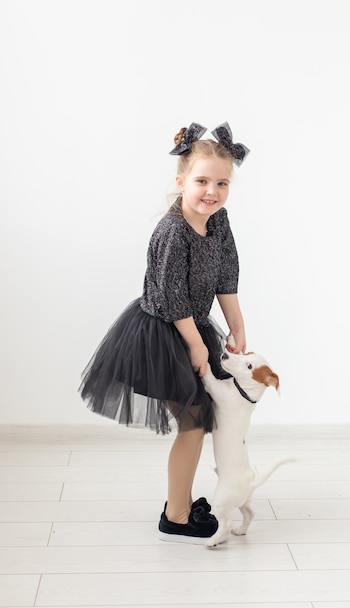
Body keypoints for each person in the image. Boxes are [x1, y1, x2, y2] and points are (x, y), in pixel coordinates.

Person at [79, 121, 250, 544]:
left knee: (198, 420)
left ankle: (181, 501)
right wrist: (196, 345)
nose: (212, 191)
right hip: (162, 333)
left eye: (222, 182)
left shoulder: (219, 220)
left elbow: (227, 275)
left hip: (192, 326)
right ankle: (176, 514)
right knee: (193, 421)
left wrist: (237, 325)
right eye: (202, 181)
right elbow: (172, 299)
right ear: (181, 181)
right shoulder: (173, 232)